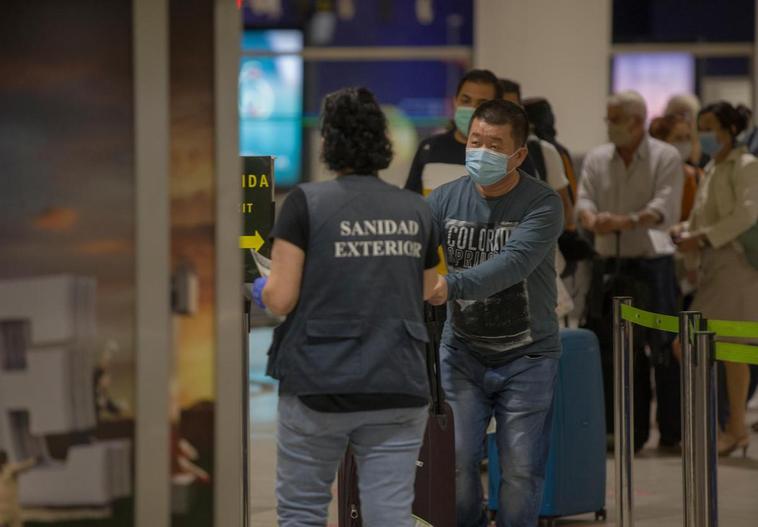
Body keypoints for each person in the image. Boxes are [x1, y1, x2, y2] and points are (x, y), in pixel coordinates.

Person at [253, 87, 440, 527]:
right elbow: (430, 290)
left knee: (302, 513)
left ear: (329, 142)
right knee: (389, 515)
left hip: (320, 381)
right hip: (398, 380)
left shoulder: (305, 203)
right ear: (383, 141)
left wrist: (257, 285)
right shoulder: (416, 209)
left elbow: (281, 297)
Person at [426, 99, 564, 527]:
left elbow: (513, 264)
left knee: (521, 470)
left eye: (495, 144)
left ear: (519, 154)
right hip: (462, 353)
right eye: (475, 141)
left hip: (528, 356)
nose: (481, 151)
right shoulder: (444, 200)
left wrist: (449, 285)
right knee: (456, 465)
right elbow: (411, 255)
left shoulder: (542, 204)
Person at [577, 90, 684, 451]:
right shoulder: (596, 158)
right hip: (608, 265)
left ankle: (672, 430)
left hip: (653, 264)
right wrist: (592, 219)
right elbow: (584, 199)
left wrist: (627, 221)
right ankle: (623, 431)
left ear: (637, 122)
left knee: (665, 349)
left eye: (615, 119)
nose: (609, 126)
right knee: (614, 350)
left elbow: (664, 207)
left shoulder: (665, 156)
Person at [670, 101, 758, 457]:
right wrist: (685, 231)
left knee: (723, 347)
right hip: (714, 266)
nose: (703, 134)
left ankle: (731, 426)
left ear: (729, 129)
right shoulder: (712, 167)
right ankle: (731, 426)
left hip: (737, 265)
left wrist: (702, 236)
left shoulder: (747, 165)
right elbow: (699, 216)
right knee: (720, 349)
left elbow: (747, 214)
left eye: (709, 126)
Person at [405, 69, 502, 195]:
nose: (472, 108)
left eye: (481, 104)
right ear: (455, 101)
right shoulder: (429, 148)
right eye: (465, 100)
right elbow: (412, 202)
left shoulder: (504, 154)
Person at [499, 79, 574, 231]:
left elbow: (565, 210)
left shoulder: (542, 151)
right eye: (500, 108)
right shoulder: (475, 154)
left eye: (513, 108)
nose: (507, 115)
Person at [649, 114, 703, 222]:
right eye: (678, 138)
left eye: (687, 138)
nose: (684, 143)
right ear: (662, 142)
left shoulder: (698, 177)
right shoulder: (649, 177)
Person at [0, 451, 37, 527]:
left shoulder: (10, 468)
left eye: (2, 458)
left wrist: (33, 460)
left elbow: (22, 467)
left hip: (12, 507)